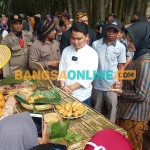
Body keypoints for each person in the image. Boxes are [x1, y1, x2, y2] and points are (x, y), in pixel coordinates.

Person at [109, 21, 150, 150]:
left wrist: (121, 92)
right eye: (127, 38)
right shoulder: (138, 57)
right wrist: (121, 83)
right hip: (127, 112)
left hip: (135, 116)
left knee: (133, 146)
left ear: (141, 39)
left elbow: (141, 95)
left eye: (131, 39)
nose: (127, 42)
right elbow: (134, 78)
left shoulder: (145, 62)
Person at [92, 19, 126, 122]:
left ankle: (111, 133)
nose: (111, 33)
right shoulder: (96, 44)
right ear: (105, 30)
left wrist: (120, 83)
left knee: (112, 110)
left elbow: (121, 66)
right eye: (109, 30)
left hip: (112, 84)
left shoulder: (121, 47)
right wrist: (91, 82)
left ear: (118, 33)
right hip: (97, 83)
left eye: (114, 31)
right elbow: (92, 64)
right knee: (96, 110)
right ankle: (96, 131)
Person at [58, 22, 98, 105]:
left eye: (79, 39)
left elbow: (88, 77)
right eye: (73, 38)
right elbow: (61, 69)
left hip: (82, 96)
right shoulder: (66, 50)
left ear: (87, 37)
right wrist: (62, 86)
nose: (75, 42)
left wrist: (71, 88)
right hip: (65, 93)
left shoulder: (92, 54)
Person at [29, 20, 61, 86]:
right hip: (45, 84)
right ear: (46, 32)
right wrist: (49, 63)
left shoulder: (56, 43)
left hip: (58, 81)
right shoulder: (35, 46)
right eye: (53, 30)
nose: (55, 32)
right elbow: (32, 64)